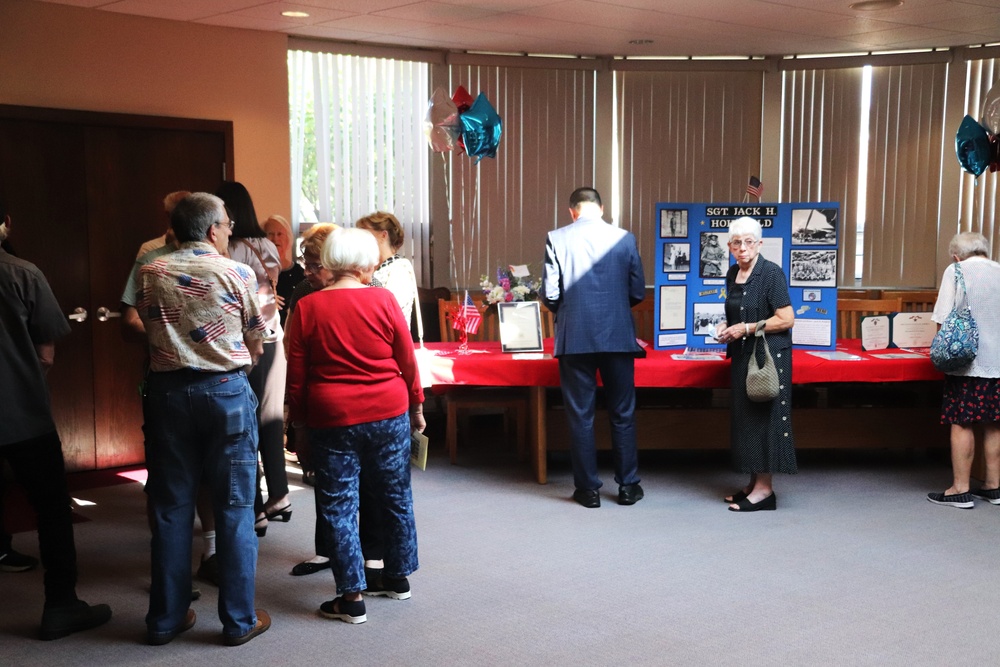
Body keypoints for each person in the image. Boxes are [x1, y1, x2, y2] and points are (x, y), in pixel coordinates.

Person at [138, 192, 270, 646]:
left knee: (171, 509)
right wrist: (239, 366)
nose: (231, 230)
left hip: (167, 396)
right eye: (228, 225)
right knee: (234, 508)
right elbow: (257, 338)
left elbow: (148, 326)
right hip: (225, 395)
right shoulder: (237, 272)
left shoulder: (150, 270)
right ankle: (237, 621)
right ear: (212, 228)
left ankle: (165, 619)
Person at [286, 227, 424, 624]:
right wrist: (416, 406)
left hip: (333, 417)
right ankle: (397, 578)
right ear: (365, 263)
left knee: (339, 504)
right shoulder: (383, 300)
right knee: (395, 496)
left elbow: (298, 376)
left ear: (329, 260)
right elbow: (407, 360)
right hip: (388, 411)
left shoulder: (310, 307)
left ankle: (351, 597)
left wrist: (299, 426)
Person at [0, 201, 112, 640]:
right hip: (22, 412)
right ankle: (61, 604)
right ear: (6, 224)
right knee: (51, 508)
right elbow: (46, 352)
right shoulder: (24, 273)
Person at [120, 192, 218, 593]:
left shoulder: (223, 261)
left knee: (213, 474)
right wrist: (172, 337)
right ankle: (169, 572)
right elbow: (129, 318)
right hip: (166, 377)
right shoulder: (150, 257)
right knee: (166, 479)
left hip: (212, 380)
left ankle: (211, 553)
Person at [541, 187, 646, 508]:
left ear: (572, 211)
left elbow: (550, 294)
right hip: (617, 335)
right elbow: (638, 290)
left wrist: (574, 312)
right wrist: (613, 307)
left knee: (580, 416)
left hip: (575, 338)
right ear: (601, 208)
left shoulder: (556, 238)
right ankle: (628, 486)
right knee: (623, 413)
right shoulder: (625, 239)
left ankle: (587, 490)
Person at [215, 182, 290, 537]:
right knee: (271, 421)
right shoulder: (264, 245)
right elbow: (270, 290)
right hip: (274, 338)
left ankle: (256, 509)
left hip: (243, 342)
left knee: (244, 426)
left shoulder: (224, 249)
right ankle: (280, 495)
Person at [715, 216, 796, 512]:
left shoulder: (771, 273)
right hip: (742, 356)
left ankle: (765, 491)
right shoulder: (732, 272)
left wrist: (746, 328)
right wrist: (727, 326)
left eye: (749, 242)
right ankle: (752, 484)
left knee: (764, 420)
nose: (742, 248)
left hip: (768, 358)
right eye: (737, 242)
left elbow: (787, 319)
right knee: (747, 420)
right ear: (729, 246)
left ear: (760, 244)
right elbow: (737, 314)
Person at [927, 232, 1000, 509]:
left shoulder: (956, 270)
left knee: (962, 422)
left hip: (967, 363)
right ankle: (993, 487)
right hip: (998, 362)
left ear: (957, 255)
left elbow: (943, 318)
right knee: (994, 423)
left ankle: (960, 489)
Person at [355, 211, 418, 327]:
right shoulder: (367, 268)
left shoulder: (400, 267)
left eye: (365, 234)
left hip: (388, 335)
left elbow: (392, 309)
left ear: (383, 235)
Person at [263, 214, 304, 327]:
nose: (275, 239)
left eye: (280, 234)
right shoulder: (256, 272)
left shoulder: (299, 273)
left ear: (288, 239)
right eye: (270, 234)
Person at [136, 190, 190, 259]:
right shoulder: (149, 249)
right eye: (181, 214)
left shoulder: (205, 244)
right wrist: (171, 246)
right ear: (168, 215)